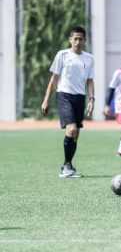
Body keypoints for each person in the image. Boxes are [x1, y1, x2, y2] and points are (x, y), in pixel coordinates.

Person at [41, 26, 94, 178]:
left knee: (76, 133)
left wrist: (91, 99)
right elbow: (54, 79)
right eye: (75, 38)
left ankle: (68, 165)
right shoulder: (62, 55)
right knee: (71, 129)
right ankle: (66, 167)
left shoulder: (89, 59)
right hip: (64, 95)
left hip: (80, 97)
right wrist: (46, 100)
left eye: (81, 39)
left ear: (85, 40)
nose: (77, 41)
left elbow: (90, 81)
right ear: (70, 39)